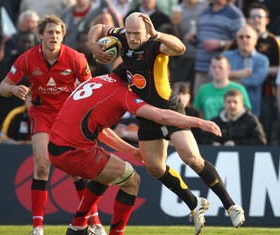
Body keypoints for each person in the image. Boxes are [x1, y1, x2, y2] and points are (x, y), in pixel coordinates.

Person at [88, 12, 245, 234]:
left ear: (146, 31)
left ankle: (231, 205)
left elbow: (180, 48)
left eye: (137, 34)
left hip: (169, 109)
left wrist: (157, 34)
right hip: (146, 114)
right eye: (129, 33)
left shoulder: (154, 45)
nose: (132, 38)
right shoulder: (123, 36)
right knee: (154, 167)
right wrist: (92, 45)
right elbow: (100, 27)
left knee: (191, 158)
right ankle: (194, 203)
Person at [49, 66, 223, 235]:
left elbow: (101, 131)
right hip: (77, 152)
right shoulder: (121, 93)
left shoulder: (97, 81)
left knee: (107, 174)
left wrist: (131, 151)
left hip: (55, 147)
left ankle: (78, 227)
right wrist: (200, 122)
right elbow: (161, 116)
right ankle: (101, 231)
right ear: (133, 80)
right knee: (132, 181)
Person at [0, 15, 105, 235]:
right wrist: (13, 89)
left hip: (68, 117)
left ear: (63, 35)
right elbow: (3, 86)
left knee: (77, 171)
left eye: (57, 32)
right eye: (49, 32)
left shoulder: (76, 58)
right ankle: (37, 227)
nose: (54, 36)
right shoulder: (27, 59)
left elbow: (90, 91)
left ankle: (94, 223)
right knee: (41, 166)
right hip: (41, 114)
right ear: (40, 36)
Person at [246, 3, 280, 145]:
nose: (256, 20)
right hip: (242, 91)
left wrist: (260, 72)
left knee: (266, 126)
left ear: (267, 20)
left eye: (260, 17)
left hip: (267, 92)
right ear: (248, 20)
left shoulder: (275, 42)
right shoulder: (241, 37)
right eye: (253, 17)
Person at [192, 0, 245, 96]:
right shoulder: (205, 11)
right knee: (200, 104)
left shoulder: (235, 14)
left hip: (220, 70)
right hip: (201, 68)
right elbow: (201, 38)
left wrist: (220, 43)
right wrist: (193, 38)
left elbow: (241, 40)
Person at [222, 24, 269, 117]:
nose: (244, 39)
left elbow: (255, 82)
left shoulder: (262, 60)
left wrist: (228, 78)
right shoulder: (226, 56)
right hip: (225, 108)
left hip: (251, 108)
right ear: (237, 40)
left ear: (255, 40)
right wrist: (240, 73)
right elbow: (212, 75)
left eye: (248, 37)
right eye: (241, 37)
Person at [194, 54, 252, 120]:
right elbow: (197, 112)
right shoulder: (203, 89)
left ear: (228, 69)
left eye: (220, 67)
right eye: (214, 67)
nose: (217, 70)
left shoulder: (239, 89)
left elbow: (247, 113)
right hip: (209, 128)